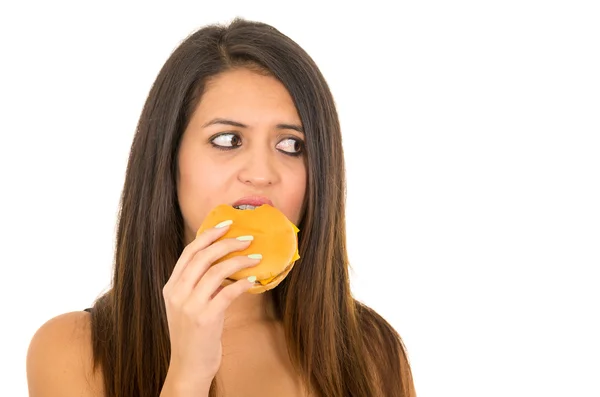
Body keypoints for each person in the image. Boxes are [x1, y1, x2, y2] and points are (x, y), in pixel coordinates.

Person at [26, 17, 416, 397]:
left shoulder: (372, 352)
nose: (261, 173)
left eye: (291, 145)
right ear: (168, 158)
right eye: (228, 140)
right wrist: (187, 376)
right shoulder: (71, 352)